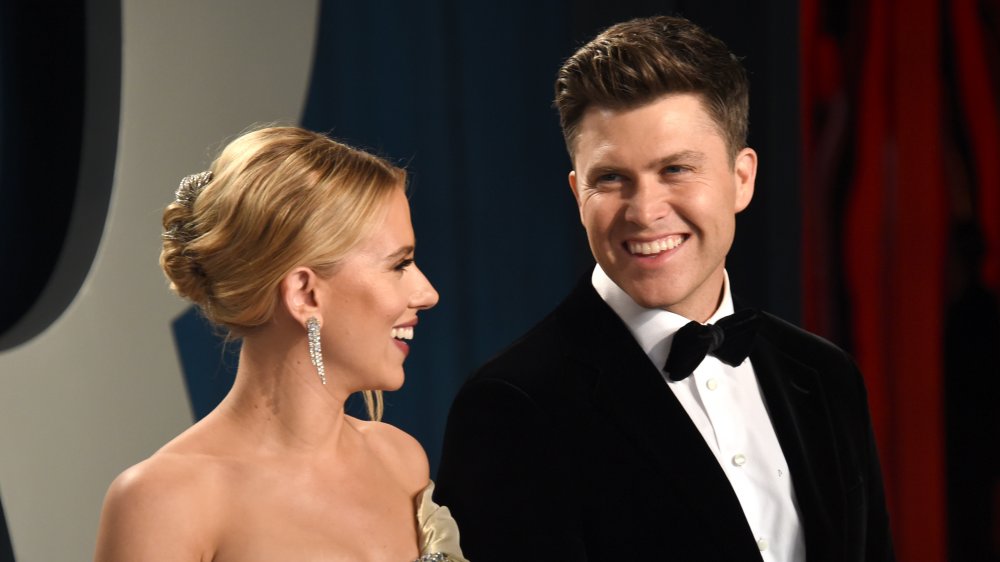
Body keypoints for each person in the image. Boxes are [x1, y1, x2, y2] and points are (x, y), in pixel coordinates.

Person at [435, 15, 894, 561]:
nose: (645, 212)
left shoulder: (824, 375)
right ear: (576, 191)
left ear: (741, 179)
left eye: (676, 169)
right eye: (611, 179)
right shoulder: (512, 407)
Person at [94, 126, 466, 562]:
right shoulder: (166, 502)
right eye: (399, 264)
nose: (427, 293)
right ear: (305, 294)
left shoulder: (400, 462)